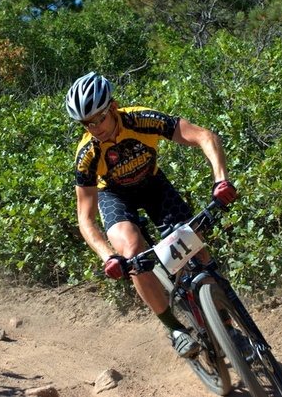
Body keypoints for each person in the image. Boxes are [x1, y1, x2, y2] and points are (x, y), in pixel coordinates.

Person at [66, 72, 237, 359]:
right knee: (133, 253)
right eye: (87, 124)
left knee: (196, 251)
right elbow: (86, 219)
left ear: (113, 106)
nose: (95, 128)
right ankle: (175, 330)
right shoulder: (87, 154)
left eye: (99, 118)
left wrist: (221, 181)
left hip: (153, 185)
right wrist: (108, 256)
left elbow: (205, 137)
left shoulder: (142, 119)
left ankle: (228, 328)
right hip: (115, 196)